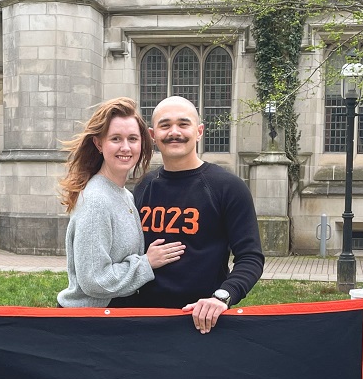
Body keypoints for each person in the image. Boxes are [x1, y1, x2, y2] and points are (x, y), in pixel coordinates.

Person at [111, 96, 264, 333]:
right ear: (152, 135)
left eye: (183, 124)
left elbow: (251, 257)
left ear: (199, 131)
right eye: (165, 125)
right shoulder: (143, 186)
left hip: (202, 321)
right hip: (144, 321)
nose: (174, 132)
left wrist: (221, 298)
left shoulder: (228, 187)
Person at [57, 98, 185, 308]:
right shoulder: (96, 199)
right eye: (116, 138)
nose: (126, 147)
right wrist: (146, 263)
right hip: (88, 323)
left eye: (133, 139)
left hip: (111, 318)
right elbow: (94, 280)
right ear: (99, 144)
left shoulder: (125, 195)